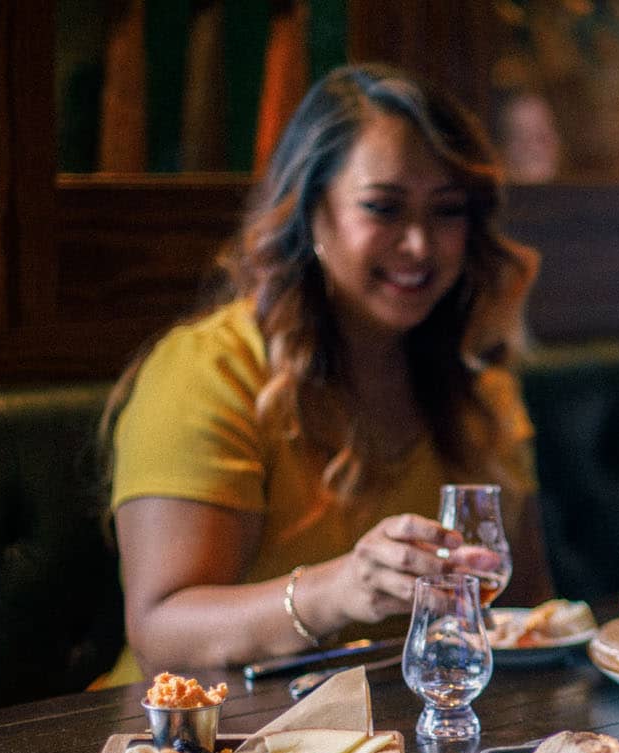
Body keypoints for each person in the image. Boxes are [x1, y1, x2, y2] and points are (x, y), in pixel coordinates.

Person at [95, 63, 554, 687]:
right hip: (194, 745)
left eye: (447, 212)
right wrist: (340, 589)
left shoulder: (477, 371)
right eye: (383, 208)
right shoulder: (210, 367)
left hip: (401, 737)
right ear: (312, 212)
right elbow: (161, 636)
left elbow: (526, 608)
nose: (419, 244)